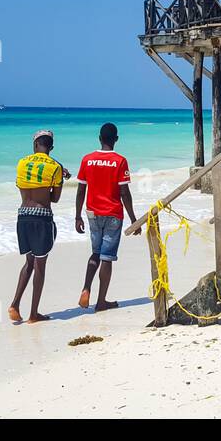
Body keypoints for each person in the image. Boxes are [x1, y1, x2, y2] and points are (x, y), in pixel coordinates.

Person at [75, 123, 139, 311]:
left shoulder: (87, 159)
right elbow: (124, 193)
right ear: (116, 139)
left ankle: (86, 288)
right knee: (107, 257)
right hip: (112, 214)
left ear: (99, 138)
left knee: (95, 253)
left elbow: (80, 190)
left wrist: (77, 216)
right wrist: (134, 220)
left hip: (92, 213)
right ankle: (101, 301)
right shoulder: (120, 161)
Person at [9, 130, 68, 324]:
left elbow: (22, 189)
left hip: (22, 216)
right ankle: (34, 314)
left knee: (28, 263)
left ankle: (15, 304)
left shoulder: (21, 163)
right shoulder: (55, 168)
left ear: (35, 145)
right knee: (40, 266)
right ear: (51, 147)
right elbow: (55, 199)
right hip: (42, 218)